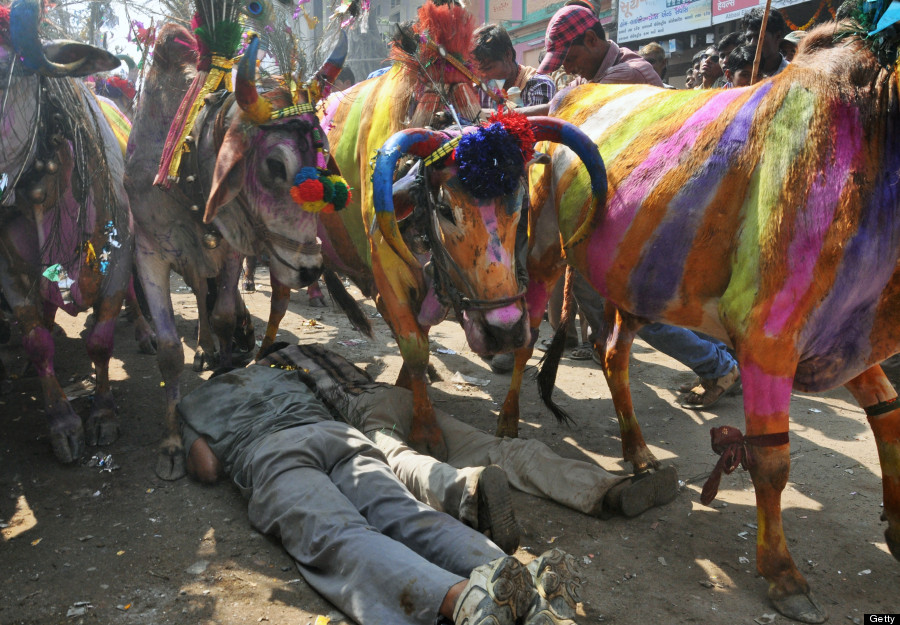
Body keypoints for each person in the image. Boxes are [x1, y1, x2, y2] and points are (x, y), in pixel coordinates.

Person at [179, 347, 581, 625]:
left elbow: (208, 467)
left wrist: (193, 434)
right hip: (338, 436)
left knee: (341, 535)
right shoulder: (276, 375)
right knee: (407, 513)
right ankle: (524, 584)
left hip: (273, 454)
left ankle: (465, 601)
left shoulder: (199, 399)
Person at [532, 5, 741, 410]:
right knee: (614, 302)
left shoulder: (630, 74)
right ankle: (721, 363)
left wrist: (506, 121)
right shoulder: (590, 76)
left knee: (639, 307)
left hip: (657, 210)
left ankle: (719, 366)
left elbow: (566, 110)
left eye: (571, 57)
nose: (569, 69)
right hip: (622, 207)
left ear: (592, 40)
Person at [260, 343, 680, 520]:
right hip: (397, 398)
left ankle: (469, 490)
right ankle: (608, 489)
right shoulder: (326, 352)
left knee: (404, 462)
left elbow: (301, 419)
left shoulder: (273, 371)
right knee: (500, 448)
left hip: (364, 411)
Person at [473, 24, 557, 111]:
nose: (484, 75)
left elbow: (534, 122)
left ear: (508, 54)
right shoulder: (483, 89)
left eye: (489, 68)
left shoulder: (539, 84)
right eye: (480, 70)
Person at [741, 7, 790, 78]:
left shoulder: (795, 74)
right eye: (749, 38)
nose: (752, 43)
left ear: (777, 37)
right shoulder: (740, 77)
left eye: (759, 37)